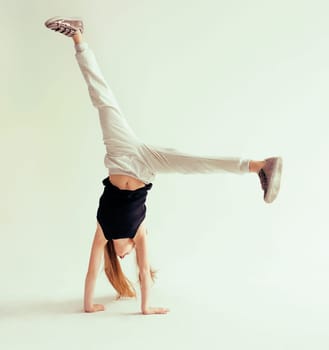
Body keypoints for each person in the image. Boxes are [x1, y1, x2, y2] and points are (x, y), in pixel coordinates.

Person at [44, 17, 283, 315]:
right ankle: (258, 166)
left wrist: (88, 305)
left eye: (125, 256)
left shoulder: (102, 232)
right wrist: (146, 307)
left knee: (102, 98)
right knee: (193, 163)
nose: (128, 254)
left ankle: (77, 36)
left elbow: (91, 272)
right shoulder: (139, 232)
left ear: (115, 255)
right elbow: (144, 272)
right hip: (145, 167)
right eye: (131, 254)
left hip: (121, 153)